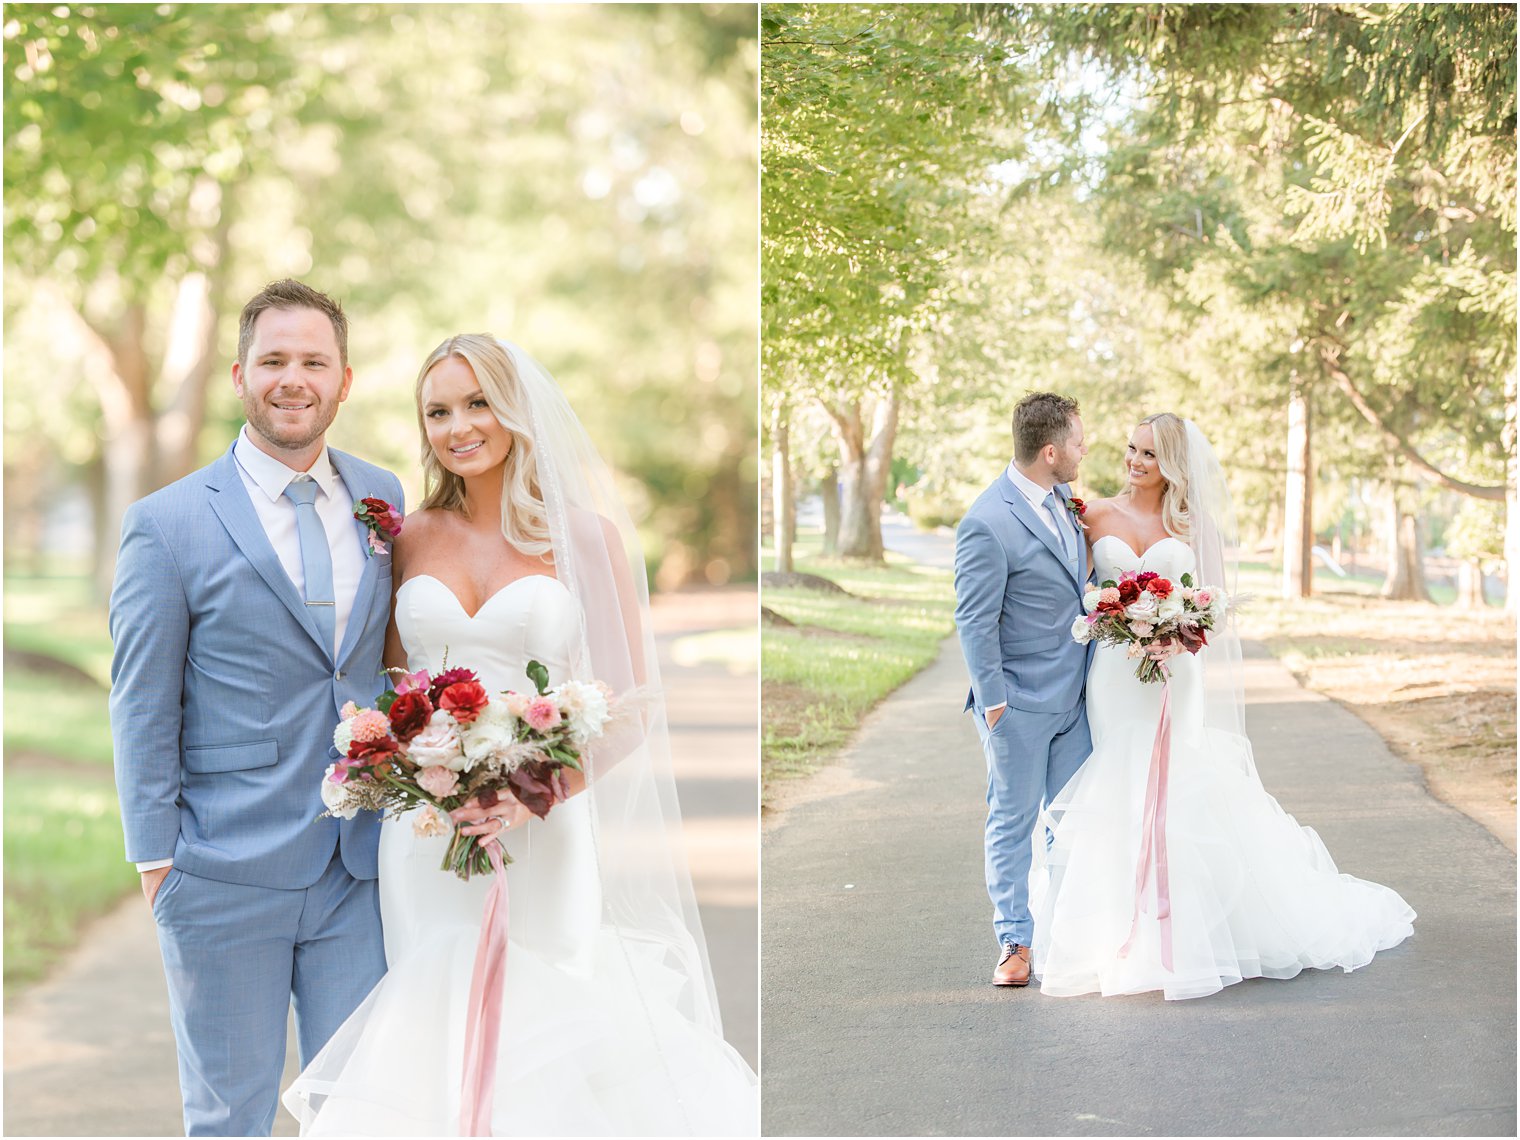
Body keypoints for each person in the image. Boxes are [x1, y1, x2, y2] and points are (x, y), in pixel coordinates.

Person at [282, 335, 758, 1135]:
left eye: (477, 404)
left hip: (544, 832)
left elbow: (634, 704)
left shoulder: (586, 540)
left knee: (550, 1027)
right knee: (433, 1029)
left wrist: (528, 793)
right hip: (426, 835)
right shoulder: (409, 540)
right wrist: (417, 769)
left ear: (516, 412)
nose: (458, 427)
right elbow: (399, 691)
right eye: (438, 411)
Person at [110, 280, 404, 1135]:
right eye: (273, 359)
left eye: (314, 360)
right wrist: (155, 860)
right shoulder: (166, 525)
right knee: (230, 1119)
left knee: (361, 1112)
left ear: (344, 380)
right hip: (220, 868)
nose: (293, 378)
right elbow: (140, 702)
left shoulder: (381, 497)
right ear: (241, 375)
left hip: (361, 871)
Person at [1031, 412, 1415, 1000]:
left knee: (1176, 782)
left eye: (1149, 456)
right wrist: (1117, 618)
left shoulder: (1191, 524)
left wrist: (1175, 626)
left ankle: (1188, 931)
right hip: (1113, 676)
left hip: (1173, 676)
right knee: (1119, 784)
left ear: (1174, 467)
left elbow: (1216, 604)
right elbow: (1076, 591)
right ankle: (1118, 928)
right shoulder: (1093, 515)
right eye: (1131, 450)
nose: (1134, 462)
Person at [953, 391, 1094, 987]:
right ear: (1051, 451)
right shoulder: (986, 522)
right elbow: (974, 619)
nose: (1086, 452)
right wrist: (994, 703)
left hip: (1080, 700)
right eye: (1080, 444)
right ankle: (1015, 940)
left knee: (1073, 822)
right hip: (1018, 706)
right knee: (1013, 823)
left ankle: (1068, 932)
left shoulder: (1066, 502)